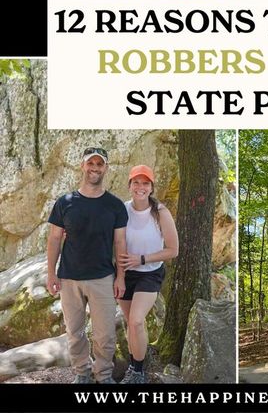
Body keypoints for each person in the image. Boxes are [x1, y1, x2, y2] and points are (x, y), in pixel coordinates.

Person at [47, 147, 128, 384]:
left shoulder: (115, 205)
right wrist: (51, 272)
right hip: (69, 277)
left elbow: (120, 242)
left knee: (105, 334)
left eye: (99, 164)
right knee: (74, 332)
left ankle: (103, 375)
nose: (95, 168)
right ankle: (82, 372)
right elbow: (54, 238)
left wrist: (121, 276)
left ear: (106, 168)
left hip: (102, 277)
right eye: (90, 163)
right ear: (82, 166)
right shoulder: (65, 202)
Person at [118, 165, 179, 384]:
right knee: (130, 323)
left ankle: (138, 372)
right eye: (136, 182)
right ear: (130, 185)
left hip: (150, 273)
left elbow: (173, 250)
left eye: (145, 183)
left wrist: (142, 259)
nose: (140, 187)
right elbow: (100, 231)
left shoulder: (160, 212)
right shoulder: (122, 209)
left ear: (151, 187)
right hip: (125, 273)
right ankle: (134, 365)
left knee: (136, 321)